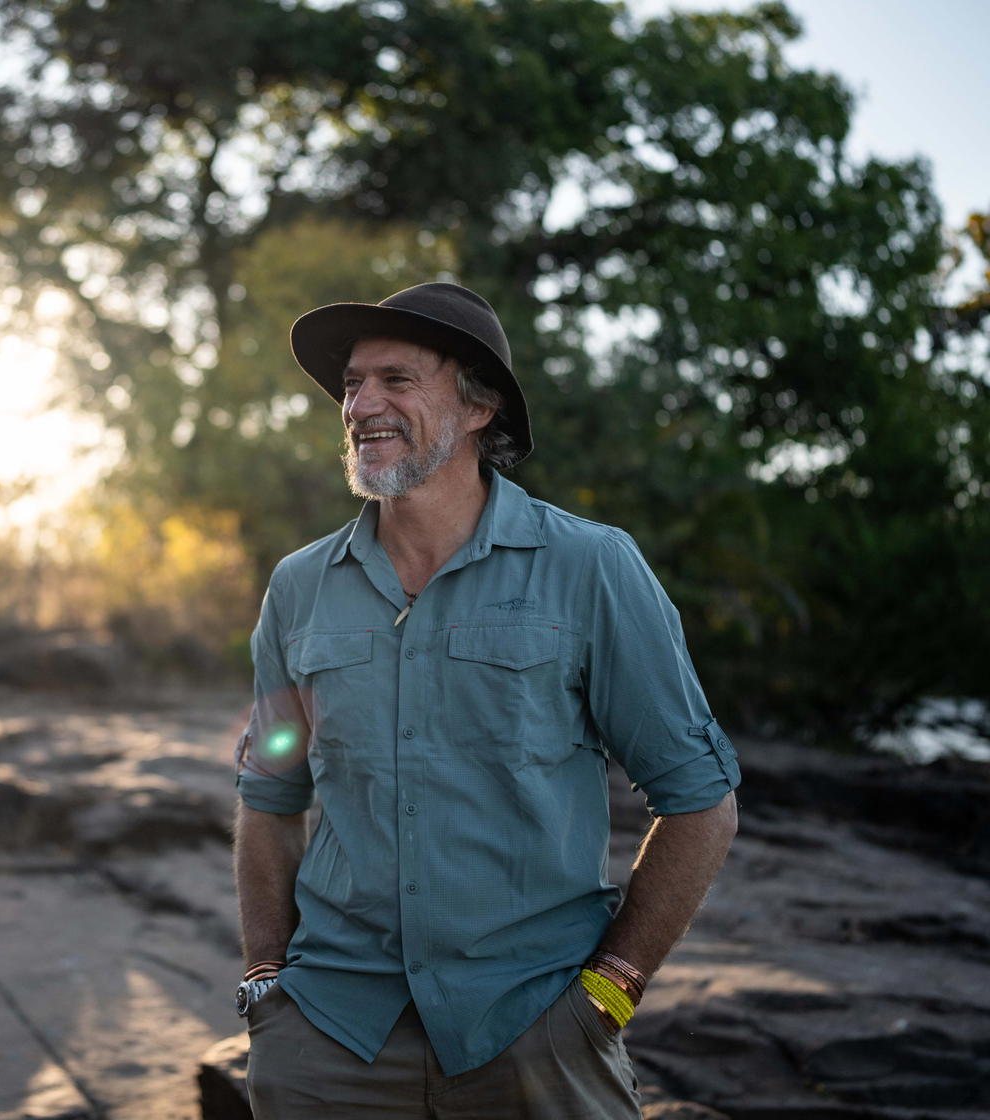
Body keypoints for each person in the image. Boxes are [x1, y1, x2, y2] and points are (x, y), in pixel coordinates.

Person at [231, 282, 740, 1118]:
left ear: (479, 406)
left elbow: (700, 801)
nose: (362, 404)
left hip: (536, 1034)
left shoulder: (591, 569)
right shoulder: (299, 589)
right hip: (328, 1040)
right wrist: (265, 982)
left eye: (397, 380)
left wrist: (607, 996)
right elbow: (269, 796)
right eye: (353, 385)